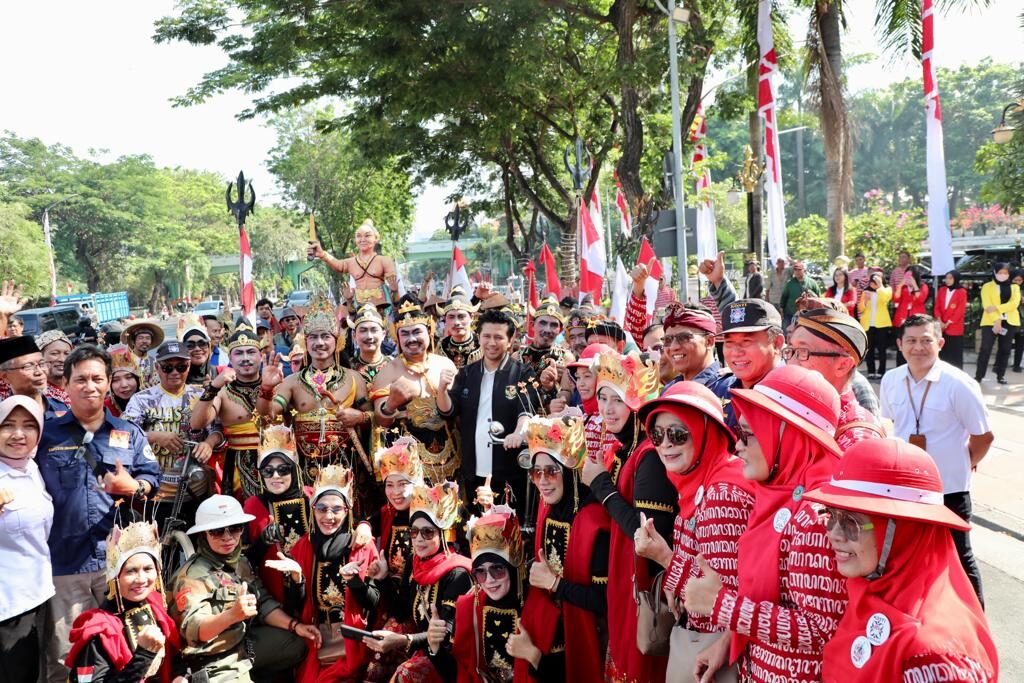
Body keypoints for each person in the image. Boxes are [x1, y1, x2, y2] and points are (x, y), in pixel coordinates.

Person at [683, 365, 847, 683]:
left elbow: (820, 628)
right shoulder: (779, 496)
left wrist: (722, 605)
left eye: (748, 434)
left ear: (786, 437)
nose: (737, 445)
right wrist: (729, 640)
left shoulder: (816, 518)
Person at [803, 439, 998, 682]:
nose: (834, 533)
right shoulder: (871, 591)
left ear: (903, 531)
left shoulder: (934, 655)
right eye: (831, 516)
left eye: (850, 523)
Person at [36, 345, 161, 683]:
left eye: (96, 378)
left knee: (125, 647)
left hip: (118, 567)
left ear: (108, 383)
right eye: (80, 379)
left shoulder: (129, 432)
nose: (89, 386)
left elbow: (153, 478)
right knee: (65, 656)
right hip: (65, 565)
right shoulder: (44, 436)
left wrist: (134, 486)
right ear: (65, 383)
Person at [632, 382, 754, 683]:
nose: (665, 445)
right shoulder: (704, 480)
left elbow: (719, 601)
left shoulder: (720, 496)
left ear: (705, 432)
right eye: (657, 435)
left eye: (677, 433)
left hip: (713, 653)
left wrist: (663, 557)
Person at [880, 314, 993, 605]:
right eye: (911, 340)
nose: (918, 347)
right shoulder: (892, 380)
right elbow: (891, 424)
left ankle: (976, 624)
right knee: (907, 556)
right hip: (905, 488)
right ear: (900, 344)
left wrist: (961, 466)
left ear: (940, 343)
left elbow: (983, 437)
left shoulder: (959, 384)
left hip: (949, 490)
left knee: (958, 557)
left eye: (926, 340)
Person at [581, 350, 673, 682]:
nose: (607, 408)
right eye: (602, 397)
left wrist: (602, 487)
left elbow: (648, 533)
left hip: (643, 587)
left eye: (617, 399)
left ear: (635, 402)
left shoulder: (649, 456)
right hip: (624, 580)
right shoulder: (626, 449)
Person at [170, 494, 316, 683]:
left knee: (295, 644)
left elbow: (263, 603)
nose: (228, 537)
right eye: (217, 531)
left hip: (240, 644)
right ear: (204, 535)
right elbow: (194, 632)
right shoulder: (192, 576)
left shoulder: (240, 562)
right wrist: (232, 615)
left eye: (235, 529)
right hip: (211, 658)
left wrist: (296, 626)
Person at [509, 414, 608, 681]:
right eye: (535, 472)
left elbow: (603, 602)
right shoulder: (547, 508)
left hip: (585, 640)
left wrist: (555, 584)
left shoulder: (595, 521)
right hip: (549, 632)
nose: (542, 480)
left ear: (569, 470)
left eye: (551, 471)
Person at [271, 464, 378, 683]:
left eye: (336, 509)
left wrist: (355, 581)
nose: (328, 516)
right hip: (317, 640)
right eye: (321, 508)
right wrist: (297, 578)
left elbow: (374, 601)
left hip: (352, 641)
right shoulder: (303, 547)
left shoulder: (361, 546)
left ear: (347, 510)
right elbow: (294, 607)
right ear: (313, 510)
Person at [258, 298, 371, 495]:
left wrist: (361, 417)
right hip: (304, 466)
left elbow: (377, 419)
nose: (319, 343)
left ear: (337, 341)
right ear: (305, 342)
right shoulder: (292, 381)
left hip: (346, 464)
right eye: (313, 337)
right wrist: (266, 389)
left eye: (326, 336)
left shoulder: (354, 378)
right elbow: (267, 416)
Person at [437, 308, 538, 519]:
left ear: (510, 341)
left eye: (499, 337)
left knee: (508, 530)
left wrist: (519, 434)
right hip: (474, 469)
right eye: (487, 336)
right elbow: (449, 410)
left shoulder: (522, 372)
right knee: (476, 529)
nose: (492, 342)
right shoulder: (466, 373)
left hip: (508, 470)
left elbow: (526, 411)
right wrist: (441, 390)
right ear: (479, 337)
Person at [367, 482, 472, 682]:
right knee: (387, 633)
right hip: (423, 644)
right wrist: (382, 579)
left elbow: (446, 636)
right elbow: (400, 611)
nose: (419, 539)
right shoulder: (414, 562)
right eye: (414, 532)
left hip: (448, 655)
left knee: (407, 672)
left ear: (442, 534)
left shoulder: (457, 574)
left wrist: (404, 641)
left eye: (428, 532)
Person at [65, 520, 181, 683]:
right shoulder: (98, 631)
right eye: (131, 571)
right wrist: (143, 656)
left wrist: (182, 675)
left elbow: (176, 657)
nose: (141, 579)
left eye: (148, 569)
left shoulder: (157, 608)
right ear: (115, 577)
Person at [123, 341, 220, 525]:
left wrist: (209, 443)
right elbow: (123, 436)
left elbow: (218, 428)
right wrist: (153, 437)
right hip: (157, 493)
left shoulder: (201, 396)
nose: (175, 372)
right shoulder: (142, 399)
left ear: (189, 366)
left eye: (181, 367)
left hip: (195, 489)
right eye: (168, 367)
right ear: (157, 368)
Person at [371, 300, 461, 484]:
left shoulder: (445, 364)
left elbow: (459, 412)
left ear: (429, 332)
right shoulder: (388, 371)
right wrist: (390, 405)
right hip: (408, 463)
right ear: (397, 337)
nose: (411, 339)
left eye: (417, 332)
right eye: (405, 333)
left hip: (452, 456)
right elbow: (380, 422)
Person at [430, 507, 524, 682]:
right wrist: (434, 648)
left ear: (512, 568)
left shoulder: (537, 608)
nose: (489, 580)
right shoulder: (469, 606)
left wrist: (534, 657)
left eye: (497, 569)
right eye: (480, 572)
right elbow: (459, 674)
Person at [360, 439, 425, 682]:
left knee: (386, 635)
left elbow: (404, 608)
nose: (396, 492)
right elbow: (368, 521)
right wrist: (365, 528)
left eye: (403, 484)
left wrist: (385, 576)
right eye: (390, 485)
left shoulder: (426, 518)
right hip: (390, 599)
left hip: (415, 608)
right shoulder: (388, 513)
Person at [0, 396, 52, 683]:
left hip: (37, 594)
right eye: (8, 425)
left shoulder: (32, 468)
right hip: (7, 605)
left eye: (29, 426)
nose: (18, 434)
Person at [785, 308, 883, 450]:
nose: (791, 363)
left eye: (802, 352)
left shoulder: (857, 440)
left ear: (843, 365)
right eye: (790, 350)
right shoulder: (793, 409)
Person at [191, 325, 265, 499]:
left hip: (276, 461)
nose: (245, 358)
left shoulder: (276, 385)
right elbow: (197, 423)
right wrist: (214, 386)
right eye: (239, 353)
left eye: (251, 352)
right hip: (238, 467)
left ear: (261, 355)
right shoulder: (223, 392)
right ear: (230, 357)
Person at [242, 425, 311, 603]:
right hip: (274, 601)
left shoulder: (313, 497)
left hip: (314, 594)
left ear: (294, 469)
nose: (275, 476)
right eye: (268, 471)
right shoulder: (253, 506)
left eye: (283, 469)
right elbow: (243, 562)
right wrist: (263, 541)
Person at [710, 299, 786, 427]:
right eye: (729, 342)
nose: (735, 352)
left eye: (746, 341)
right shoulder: (719, 389)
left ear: (777, 343)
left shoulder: (792, 396)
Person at [308, 219, 399, 307]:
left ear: (376, 238)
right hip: (359, 308)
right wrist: (322, 254)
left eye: (367, 236)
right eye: (359, 236)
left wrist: (395, 291)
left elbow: (395, 294)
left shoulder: (385, 261)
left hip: (381, 308)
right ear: (355, 239)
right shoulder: (351, 262)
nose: (362, 239)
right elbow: (338, 264)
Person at [514, 296, 573, 406]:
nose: (547, 329)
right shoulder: (517, 357)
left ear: (560, 330)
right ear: (532, 325)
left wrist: (553, 386)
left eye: (554, 325)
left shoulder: (566, 358)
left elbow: (565, 400)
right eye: (543, 323)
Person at [0, 335, 70, 416]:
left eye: (42, 364)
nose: (39, 372)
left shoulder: (62, 408)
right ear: (5, 376)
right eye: (28, 366)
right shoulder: (4, 417)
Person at [975, 262, 1020, 385]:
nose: (1002, 275)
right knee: (985, 348)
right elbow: (987, 305)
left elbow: (1014, 304)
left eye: (1005, 272)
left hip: (1010, 321)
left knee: (1005, 349)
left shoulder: (1015, 287)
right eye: (1000, 272)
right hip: (990, 321)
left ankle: (1000, 375)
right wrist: (996, 321)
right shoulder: (987, 286)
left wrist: (996, 307)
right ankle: (979, 375)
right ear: (995, 272)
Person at [660, 304, 721, 391]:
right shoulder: (669, 390)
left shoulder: (730, 387)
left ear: (709, 341)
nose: (673, 347)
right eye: (667, 340)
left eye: (684, 338)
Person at [857, 272, 893, 379]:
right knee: (869, 349)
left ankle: (882, 371)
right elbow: (860, 308)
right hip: (867, 324)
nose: (874, 282)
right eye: (873, 280)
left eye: (877, 279)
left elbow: (885, 299)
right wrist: (866, 301)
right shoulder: (866, 291)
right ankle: (871, 371)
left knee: (882, 349)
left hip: (882, 324)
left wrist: (880, 286)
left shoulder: (886, 289)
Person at [345, 304, 392, 386]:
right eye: (363, 331)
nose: (369, 336)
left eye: (374, 330)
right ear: (354, 335)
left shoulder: (394, 365)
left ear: (383, 334)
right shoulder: (347, 368)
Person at [892, 266, 930, 367]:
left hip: (916, 318)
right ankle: (900, 366)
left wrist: (914, 285)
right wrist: (900, 285)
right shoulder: (903, 287)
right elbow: (896, 299)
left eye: (910, 276)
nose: (908, 278)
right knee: (901, 344)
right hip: (902, 317)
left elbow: (920, 299)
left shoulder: (923, 287)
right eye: (906, 275)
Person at [438, 287, 482, 369]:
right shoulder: (441, 347)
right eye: (451, 317)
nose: (456, 322)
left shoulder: (481, 344)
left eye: (461, 316)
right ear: (445, 319)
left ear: (471, 317)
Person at [935, 270, 968, 369]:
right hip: (941, 326)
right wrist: (940, 321)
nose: (948, 280)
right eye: (946, 278)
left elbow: (960, 310)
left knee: (955, 353)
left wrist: (948, 323)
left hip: (954, 327)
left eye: (950, 278)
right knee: (942, 352)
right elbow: (937, 306)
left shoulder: (961, 292)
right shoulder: (942, 290)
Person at [779, 261, 821, 331]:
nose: (797, 272)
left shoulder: (812, 283)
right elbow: (784, 297)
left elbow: (819, 299)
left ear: (804, 270)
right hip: (790, 313)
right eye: (795, 270)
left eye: (799, 270)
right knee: (787, 332)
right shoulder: (790, 284)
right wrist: (781, 310)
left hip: (807, 314)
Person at [120, 320, 164, 388]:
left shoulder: (153, 362)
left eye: (148, 338)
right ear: (133, 342)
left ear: (151, 342)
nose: (144, 341)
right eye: (140, 338)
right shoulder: (124, 360)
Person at [104, 345, 143, 418]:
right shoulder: (103, 409)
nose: (124, 385)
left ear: (138, 380)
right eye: (116, 380)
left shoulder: (152, 403)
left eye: (129, 377)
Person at [36, 329, 74, 400]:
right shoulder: (36, 395)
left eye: (67, 354)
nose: (62, 359)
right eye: (54, 353)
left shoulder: (79, 387)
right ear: (40, 357)